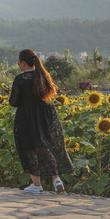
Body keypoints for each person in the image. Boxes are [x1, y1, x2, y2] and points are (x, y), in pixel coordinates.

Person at [9, 49, 73, 194]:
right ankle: (56, 180)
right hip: (45, 115)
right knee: (44, 145)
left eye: (18, 61)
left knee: (30, 148)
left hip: (27, 116)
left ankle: (36, 185)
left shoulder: (20, 79)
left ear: (23, 63)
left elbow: (13, 101)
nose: (18, 63)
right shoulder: (43, 76)